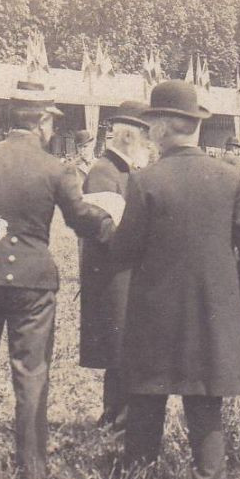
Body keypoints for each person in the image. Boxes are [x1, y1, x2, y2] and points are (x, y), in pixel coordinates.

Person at [0, 80, 114, 479]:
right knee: (31, 373)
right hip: (33, 281)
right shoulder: (56, 168)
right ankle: (32, 469)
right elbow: (79, 217)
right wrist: (111, 225)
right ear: (43, 122)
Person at [106, 82, 240, 479]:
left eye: (152, 123)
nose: (149, 132)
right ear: (193, 126)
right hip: (212, 316)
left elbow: (122, 251)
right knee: (205, 408)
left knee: (145, 404)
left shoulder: (144, 182)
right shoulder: (231, 179)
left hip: (154, 317)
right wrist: (236, 303)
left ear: (164, 127)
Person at [78, 100, 151, 448]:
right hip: (112, 274)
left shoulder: (127, 171)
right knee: (120, 345)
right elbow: (104, 229)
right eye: (145, 136)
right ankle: (116, 417)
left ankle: (118, 415)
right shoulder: (103, 172)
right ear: (126, 136)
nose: (149, 144)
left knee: (129, 344)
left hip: (127, 272)